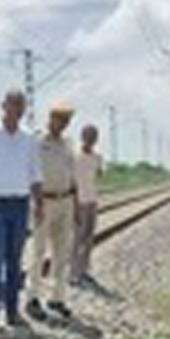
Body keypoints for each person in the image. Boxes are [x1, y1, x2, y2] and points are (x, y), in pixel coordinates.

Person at [0, 89, 42, 327]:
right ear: (3, 105)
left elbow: (35, 173)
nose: (17, 109)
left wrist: (39, 205)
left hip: (20, 203)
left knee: (15, 260)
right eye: (13, 104)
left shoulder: (29, 138)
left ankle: (12, 311)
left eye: (21, 105)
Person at [26, 103, 77, 320]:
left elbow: (72, 174)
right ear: (50, 117)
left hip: (65, 199)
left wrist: (77, 205)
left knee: (61, 253)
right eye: (60, 119)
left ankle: (58, 298)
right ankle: (32, 298)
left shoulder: (67, 144)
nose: (63, 124)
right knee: (37, 251)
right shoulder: (36, 141)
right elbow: (30, 172)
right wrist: (36, 202)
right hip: (43, 200)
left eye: (66, 120)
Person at [69, 123, 103, 287]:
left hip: (92, 200)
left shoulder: (97, 157)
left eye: (93, 136)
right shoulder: (75, 157)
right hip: (80, 201)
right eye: (88, 136)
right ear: (82, 137)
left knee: (89, 238)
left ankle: (85, 269)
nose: (90, 139)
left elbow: (98, 174)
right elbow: (72, 182)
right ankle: (73, 273)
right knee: (77, 238)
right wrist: (74, 205)